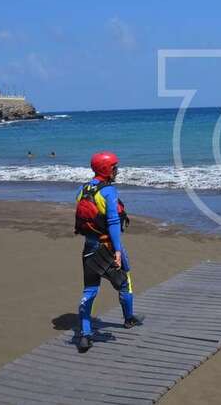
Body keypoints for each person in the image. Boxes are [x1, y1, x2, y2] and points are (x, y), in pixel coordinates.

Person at [74, 151, 141, 353]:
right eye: (114, 167)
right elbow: (112, 223)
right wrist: (118, 251)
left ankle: (85, 333)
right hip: (108, 248)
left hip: (89, 247)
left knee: (90, 289)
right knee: (124, 282)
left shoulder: (83, 189)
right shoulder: (109, 192)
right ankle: (129, 319)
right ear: (106, 169)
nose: (116, 170)